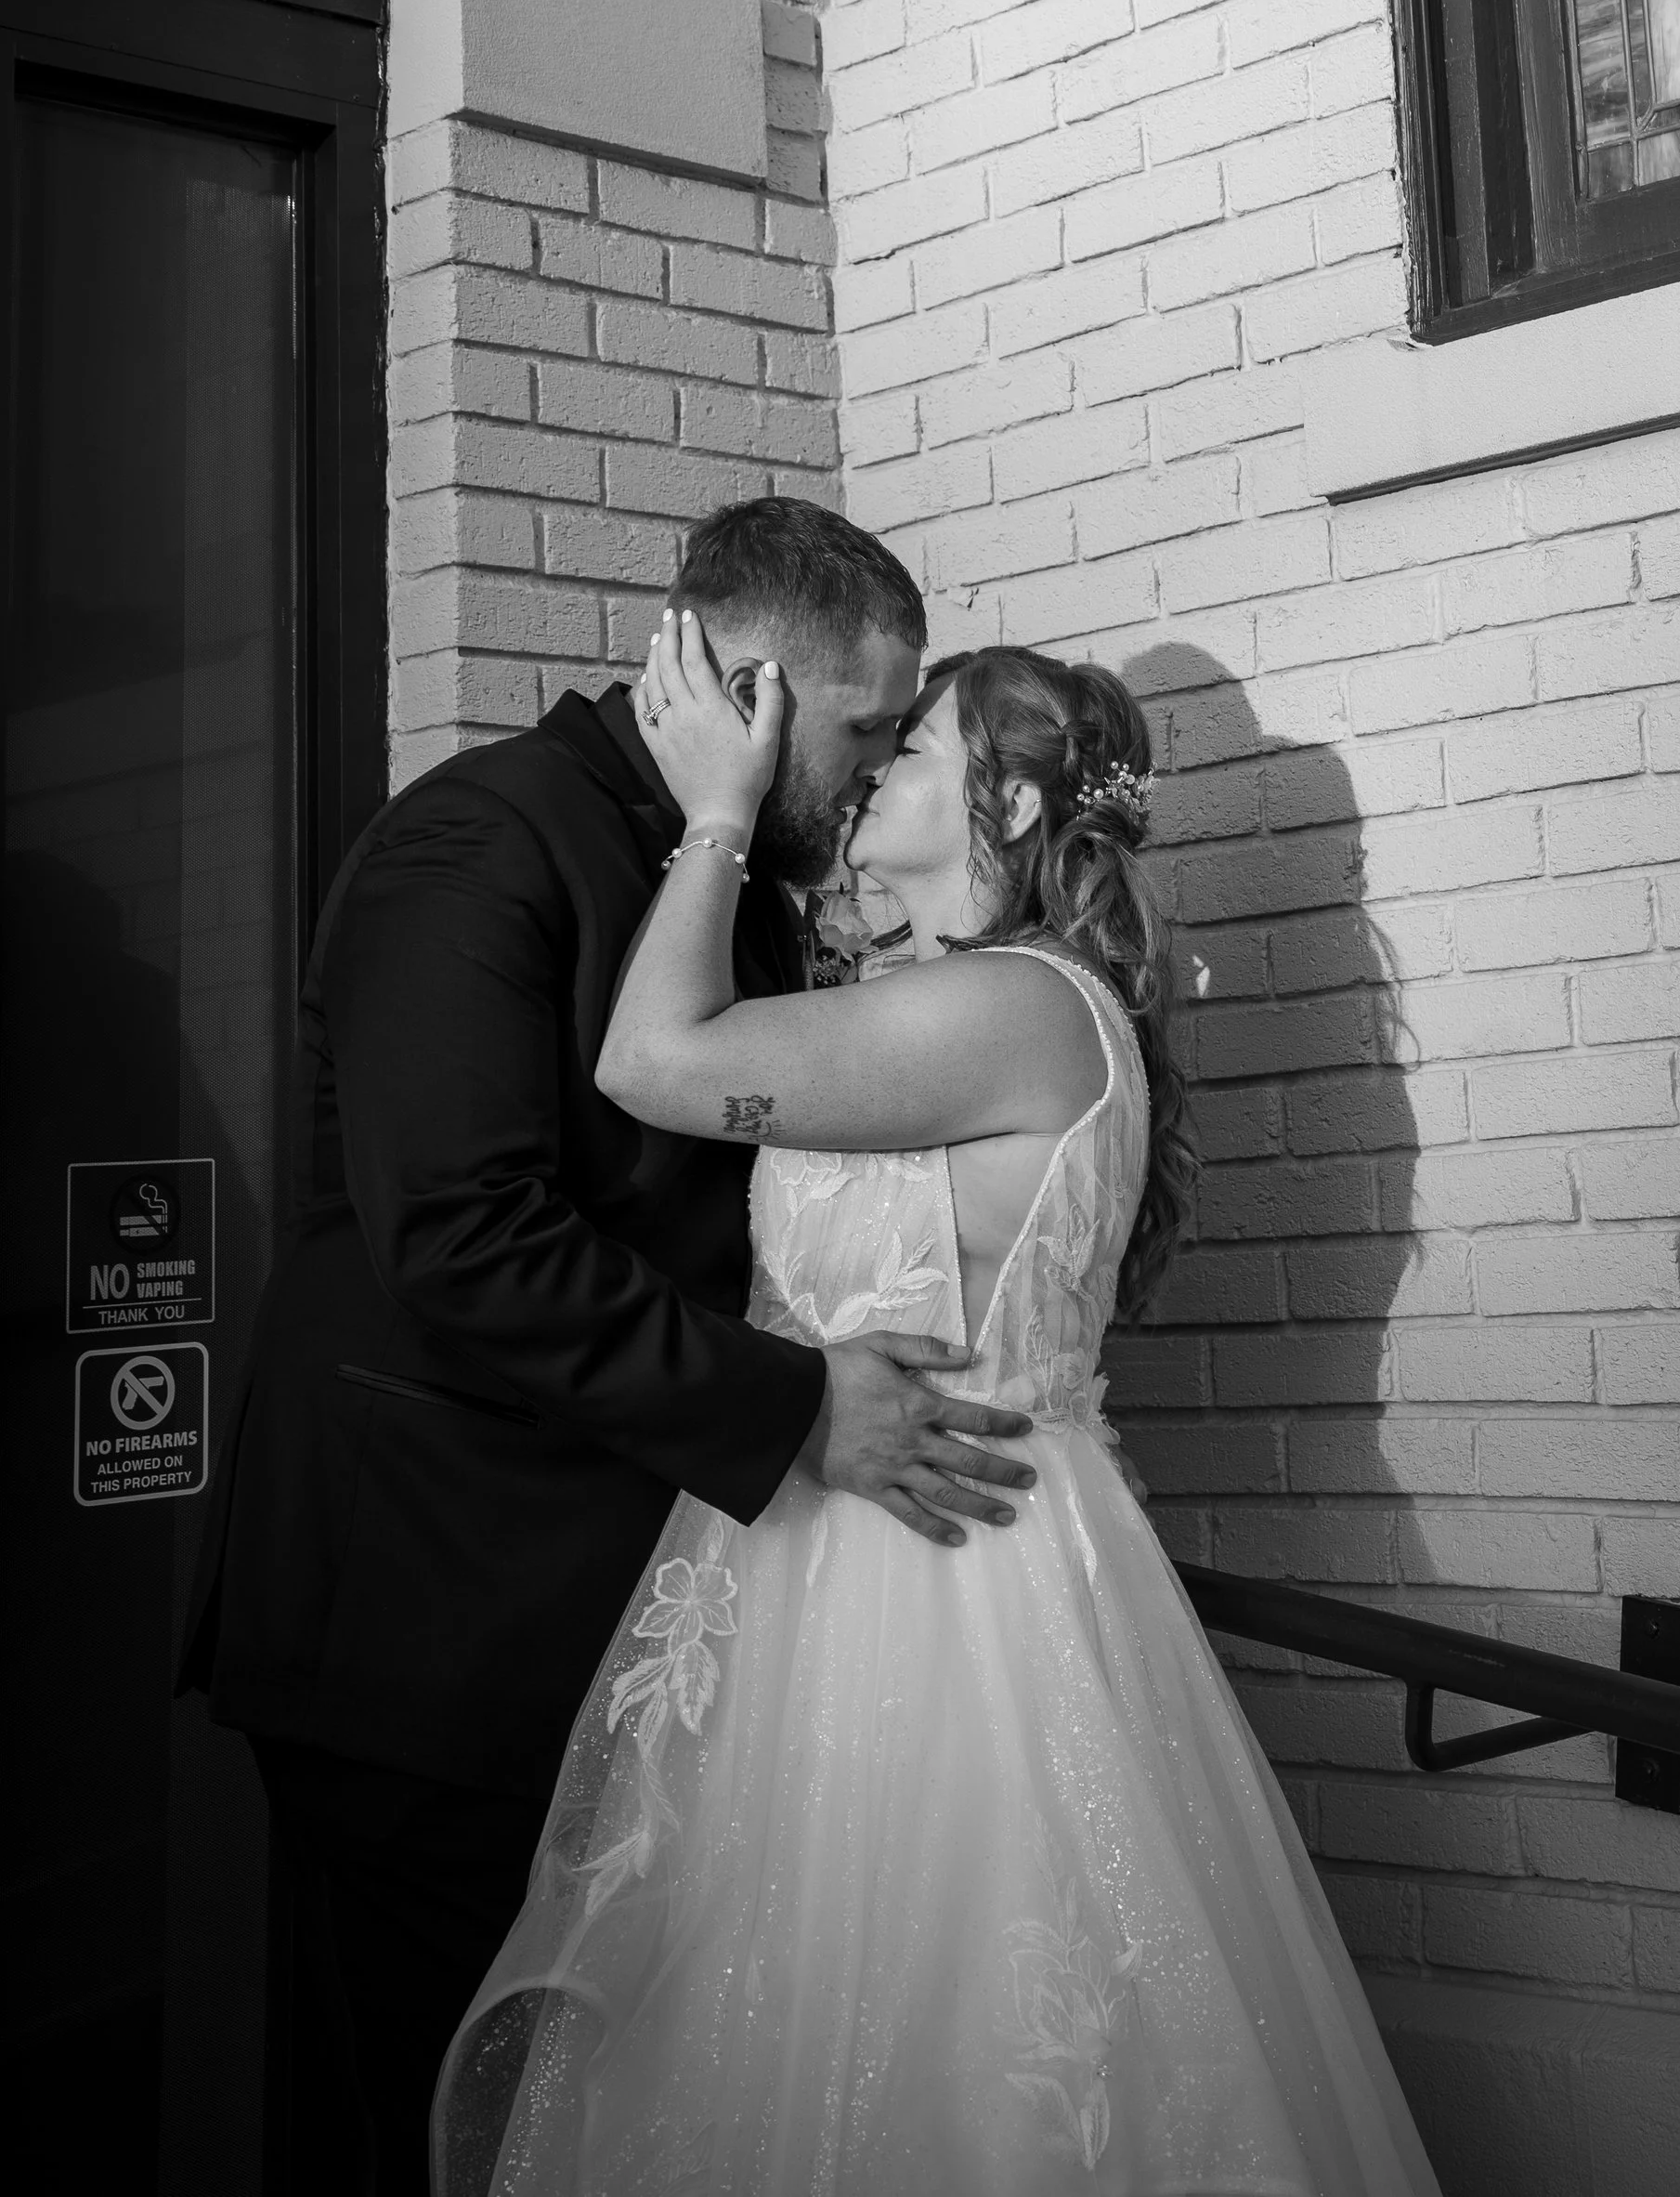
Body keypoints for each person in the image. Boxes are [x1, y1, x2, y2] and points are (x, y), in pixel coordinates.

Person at [432, 619, 1442, 2197]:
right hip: (836, 1556)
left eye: (918, 743)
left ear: (1016, 810)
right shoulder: (945, 996)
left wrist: (712, 811)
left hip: (945, 1595)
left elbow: (653, 1058)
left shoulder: (1022, 1007)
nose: (877, 763)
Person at [179, 501, 1038, 2197]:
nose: (869, 779)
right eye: (863, 730)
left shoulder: (740, 879)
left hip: (598, 1632)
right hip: (428, 1623)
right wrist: (799, 1412)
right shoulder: (478, 840)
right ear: (749, 687)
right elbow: (463, 1242)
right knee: (456, 2125)